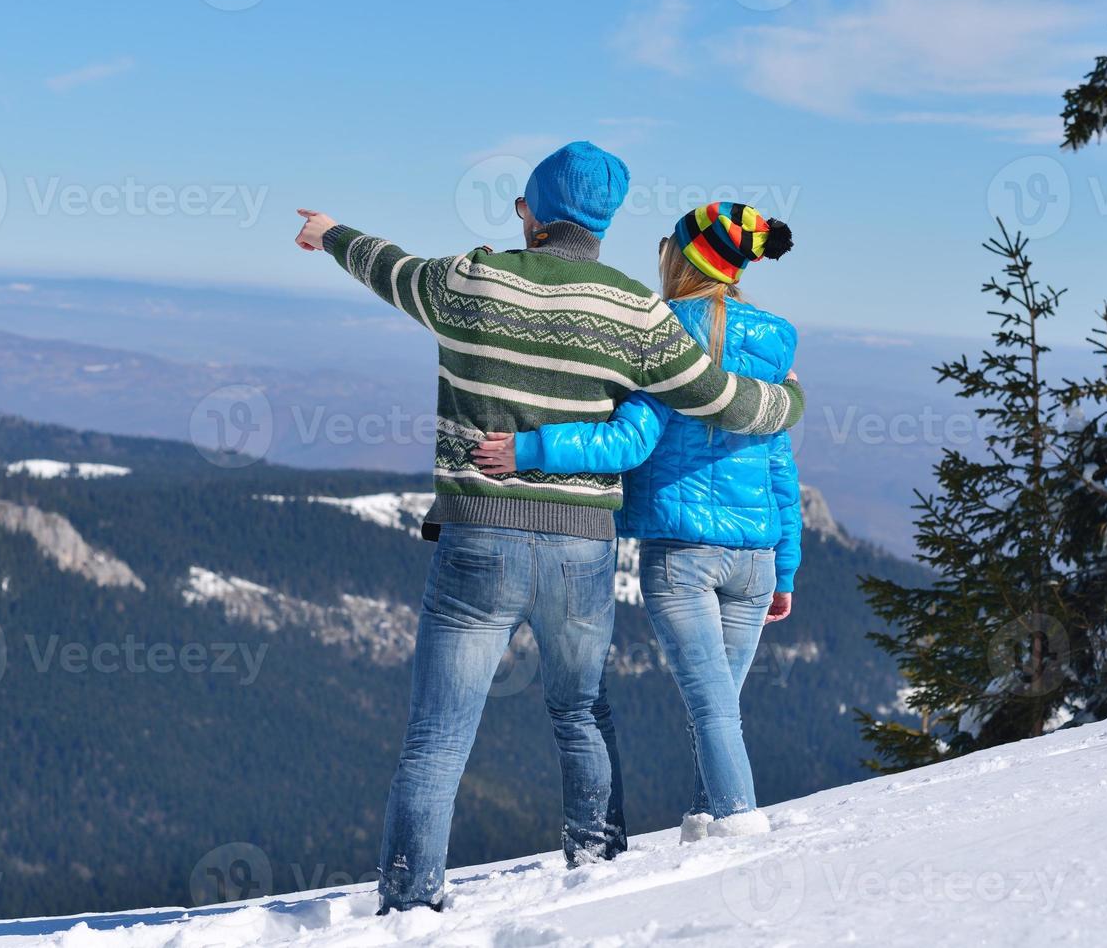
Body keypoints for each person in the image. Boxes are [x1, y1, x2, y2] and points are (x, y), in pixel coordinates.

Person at [293, 143, 805, 913]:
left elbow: (387, 267)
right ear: (603, 223)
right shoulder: (635, 309)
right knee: (579, 710)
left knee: (436, 736)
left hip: (477, 539)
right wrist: (789, 403)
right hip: (581, 547)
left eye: (522, 203)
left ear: (533, 213)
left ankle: (408, 902)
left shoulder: (468, 279)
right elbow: (722, 400)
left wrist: (329, 233)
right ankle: (595, 873)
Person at [472, 203, 802, 841]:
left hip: (680, 555)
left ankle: (739, 831)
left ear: (681, 261)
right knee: (720, 709)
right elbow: (782, 468)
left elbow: (625, 444)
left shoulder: (662, 339)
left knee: (712, 708)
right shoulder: (772, 350)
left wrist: (528, 451)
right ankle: (706, 825)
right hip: (755, 557)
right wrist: (785, 565)